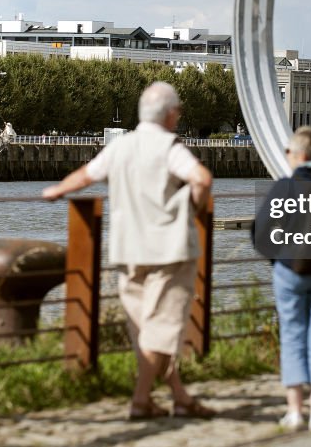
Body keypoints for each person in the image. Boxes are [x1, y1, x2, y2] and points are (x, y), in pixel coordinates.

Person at [42, 82, 215, 419]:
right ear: (169, 114)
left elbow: (86, 175)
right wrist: (191, 210)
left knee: (145, 330)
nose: (178, 116)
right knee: (161, 330)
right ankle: (140, 400)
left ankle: (178, 396)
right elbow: (202, 179)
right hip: (169, 249)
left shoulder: (120, 146)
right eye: (177, 110)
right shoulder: (169, 147)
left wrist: (57, 190)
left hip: (127, 249)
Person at [251, 126, 311, 433]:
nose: (286, 157)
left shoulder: (285, 187)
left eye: (288, 152)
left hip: (291, 269)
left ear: (300, 155)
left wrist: (276, 259)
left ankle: (294, 411)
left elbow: (260, 231)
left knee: (292, 335)